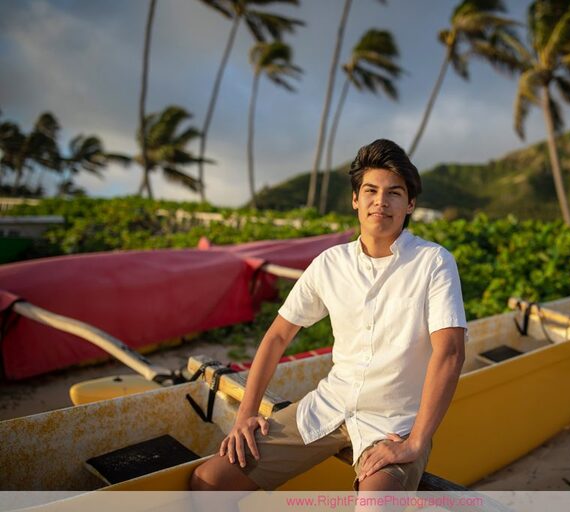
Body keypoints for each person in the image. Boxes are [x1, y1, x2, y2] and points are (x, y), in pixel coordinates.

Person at [189, 139, 466, 492]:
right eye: (370, 191)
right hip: (330, 406)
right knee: (209, 480)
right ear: (355, 199)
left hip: (396, 421)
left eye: (394, 193)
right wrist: (247, 413)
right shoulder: (330, 263)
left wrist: (414, 443)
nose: (381, 201)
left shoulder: (433, 262)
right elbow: (277, 336)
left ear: (410, 203)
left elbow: (450, 352)